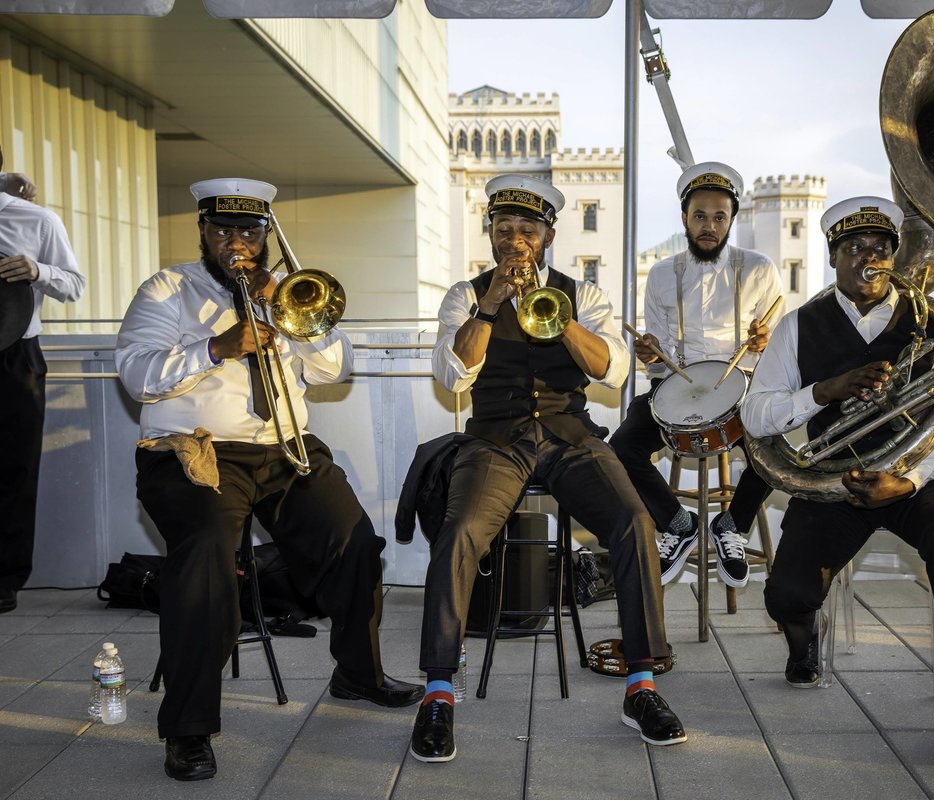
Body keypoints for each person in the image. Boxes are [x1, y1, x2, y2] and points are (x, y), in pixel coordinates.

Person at [115, 178, 421, 782]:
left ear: (266, 236)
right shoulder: (168, 289)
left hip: (284, 448)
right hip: (192, 455)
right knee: (204, 558)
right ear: (203, 231)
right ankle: (188, 730)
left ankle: (357, 673)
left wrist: (292, 313)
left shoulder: (286, 291)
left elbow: (335, 368)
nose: (238, 244)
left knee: (355, 543)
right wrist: (217, 347)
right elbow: (136, 374)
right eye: (224, 231)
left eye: (250, 232)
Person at [412, 173, 686, 763]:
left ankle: (641, 684)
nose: (516, 241)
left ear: (548, 236)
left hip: (570, 436)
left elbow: (611, 371)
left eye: (528, 231)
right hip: (495, 440)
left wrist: (559, 320)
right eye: (504, 229)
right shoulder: (465, 294)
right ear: (489, 234)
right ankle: (438, 690)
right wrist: (488, 307)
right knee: (460, 534)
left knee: (636, 525)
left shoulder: (580, 294)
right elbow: (452, 375)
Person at [741, 196, 934, 766]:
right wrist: (824, 392)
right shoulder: (799, 325)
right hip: (837, 480)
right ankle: (804, 642)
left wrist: (906, 481)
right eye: (855, 249)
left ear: (894, 255)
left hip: (917, 478)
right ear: (834, 257)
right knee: (784, 595)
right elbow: (756, 417)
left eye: (881, 249)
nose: (869, 259)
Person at [611, 161, 783, 588]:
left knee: (775, 450)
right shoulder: (661, 274)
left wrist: (766, 343)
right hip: (679, 387)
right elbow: (657, 360)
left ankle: (732, 525)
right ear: (685, 218)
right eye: (700, 216)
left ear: (732, 220)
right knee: (622, 448)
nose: (710, 226)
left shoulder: (760, 269)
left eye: (719, 217)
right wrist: (651, 353)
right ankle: (677, 522)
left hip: (743, 389)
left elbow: (783, 344)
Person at [0, 150, 84, 614]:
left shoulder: (37, 221)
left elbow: (74, 284)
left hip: (15, 357)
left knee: (15, 469)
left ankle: (5, 580)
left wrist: (37, 271)